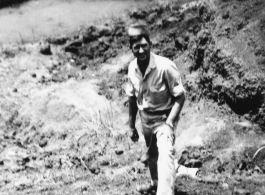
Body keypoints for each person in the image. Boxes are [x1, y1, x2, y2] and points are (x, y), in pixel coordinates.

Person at [126, 23, 186, 195]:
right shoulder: (132, 69)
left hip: (164, 119)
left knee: (165, 154)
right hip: (146, 119)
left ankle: (165, 192)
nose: (141, 51)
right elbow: (131, 98)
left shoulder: (165, 66)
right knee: (152, 155)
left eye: (144, 46)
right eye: (136, 47)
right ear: (131, 48)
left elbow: (180, 96)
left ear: (150, 44)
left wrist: (169, 123)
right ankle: (155, 183)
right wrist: (131, 126)